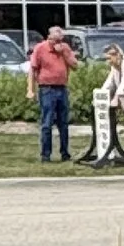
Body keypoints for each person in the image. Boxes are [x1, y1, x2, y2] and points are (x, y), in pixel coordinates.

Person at [28, 24, 75, 161]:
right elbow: (33, 69)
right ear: (49, 37)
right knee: (47, 123)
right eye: (55, 40)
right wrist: (30, 89)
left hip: (62, 88)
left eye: (60, 40)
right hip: (46, 89)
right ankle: (45, 154)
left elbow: (75, 65)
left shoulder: (65, 48)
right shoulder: (40, 48)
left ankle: (65, 153)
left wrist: (64, 53)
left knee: (63, 123)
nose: (57, 43)